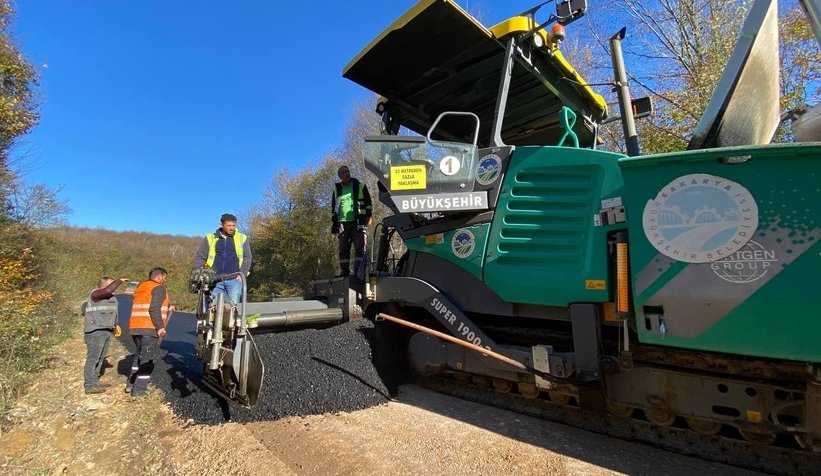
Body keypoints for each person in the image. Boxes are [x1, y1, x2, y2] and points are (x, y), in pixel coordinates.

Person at [126, 267, 172, 398]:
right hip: (149, 328)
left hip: (135, 327)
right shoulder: (159, 288)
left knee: (138, 356)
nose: (165, 280)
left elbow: (146, 303)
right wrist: (160, 327)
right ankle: (139, 391)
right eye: (164, 277)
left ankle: (130, 384)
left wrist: (169, 307)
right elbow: (154, 308)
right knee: (147, 360)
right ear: (158, 277)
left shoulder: (141, 287)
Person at [191, 213, 252, 306]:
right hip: (213, 281)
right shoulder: (210, 238)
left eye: (233, 225)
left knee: (232, 309)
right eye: (229, 225)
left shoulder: (242, 238)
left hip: (234, 279)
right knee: (211, 309)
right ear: (221, 225)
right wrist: (198, 274)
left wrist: (242, 273)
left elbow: (247, 257)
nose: (232, 228)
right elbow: (200, 257)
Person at [82, 276, 127, 394]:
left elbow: (111, 313)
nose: (113, 288)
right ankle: (89, 385)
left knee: (101, 358)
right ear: (104, 285)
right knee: (93, 358)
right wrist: (119, 281)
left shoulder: (110, 297)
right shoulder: (95, 295)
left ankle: (95, 380)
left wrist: (115, 325)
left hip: (106, 331)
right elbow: (108, 290)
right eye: (111, 285)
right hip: (95, 331)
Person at [331, 166, 372, 277]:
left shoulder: (360, 185)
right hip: (342, 223)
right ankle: (344, 272)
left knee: (360, 247)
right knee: (343, 249)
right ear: (340, 176)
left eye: (348, 171)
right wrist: (334, 222)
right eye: (344, 172)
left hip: (358, 221)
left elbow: (368, 202)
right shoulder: (336, 189)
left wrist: (369, 215)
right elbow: (334, 207)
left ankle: (359, 272)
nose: (347, 173)